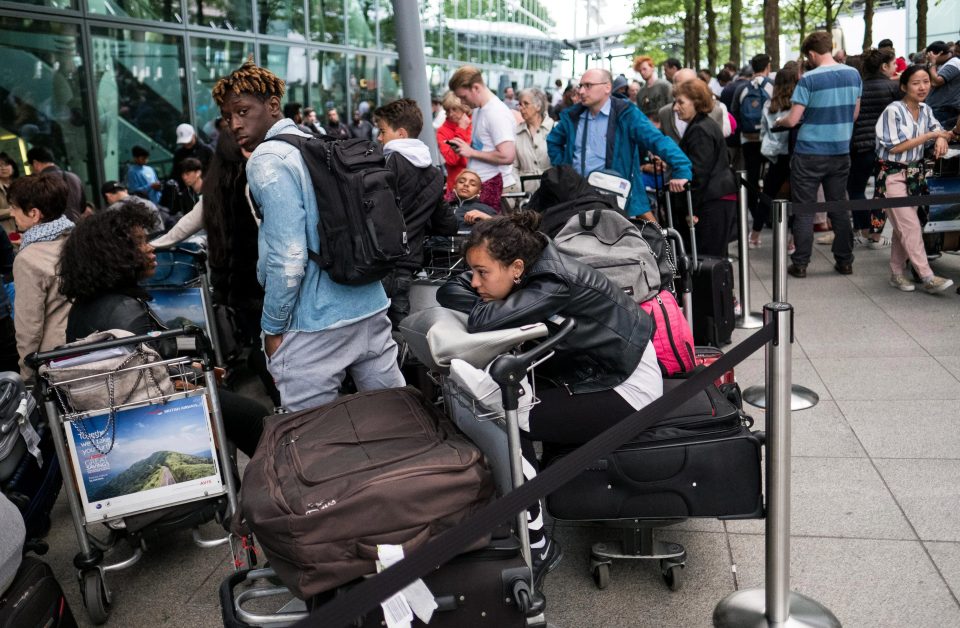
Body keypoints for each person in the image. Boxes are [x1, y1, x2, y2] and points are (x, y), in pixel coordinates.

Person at [436, 211, 661, 591]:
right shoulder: (535, 270)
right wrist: (484, 286)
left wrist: (482, 304)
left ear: (517, 267)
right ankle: (521, 516)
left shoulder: (553, 283)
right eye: (472, 271)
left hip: (625, 387)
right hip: (596, 373)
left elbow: (480, 322)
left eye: (482, 273)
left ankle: (537, 544)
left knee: (511, 417)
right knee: (505, 404)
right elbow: (449, 290)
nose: (474, 282)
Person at [214, 60, 404, 412]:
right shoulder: (316, 141)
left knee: (313, 442)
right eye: (228, 117)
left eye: (243, 111)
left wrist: (272, 328)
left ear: (273, 105)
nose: (235, 124)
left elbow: (288, 258)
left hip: (314, 321)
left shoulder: (267, 159)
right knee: (394, 418)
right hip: (369, 302)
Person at [58, 204, 269, 457]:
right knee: (257, 417)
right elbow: (145, 384)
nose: (150, 248)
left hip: (112, 411)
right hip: (148, 412)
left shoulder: (84, 305)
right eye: (140, 243)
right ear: (115, 254)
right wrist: (195, 376)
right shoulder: (126, 311)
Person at [548, 68, 693, 221]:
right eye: (580, 86)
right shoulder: (573, 116)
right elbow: (553, 141)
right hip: (578, 196)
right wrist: (564, 168)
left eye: (588, 85)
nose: (582, 91)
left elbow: (657, 140)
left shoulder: (625, 114)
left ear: (607, 87)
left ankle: (664, 246)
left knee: (632, 239)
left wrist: (682, 168)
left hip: (616, 196)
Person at [774, 30, 862, 278]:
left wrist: (780, 121)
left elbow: (793, 120)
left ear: (811, 54)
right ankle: (845, 261)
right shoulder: (853, 74)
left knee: (804, 210)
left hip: (809, 153)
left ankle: (800, 263)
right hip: (840, 151)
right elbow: (854, 115)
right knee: (839, 207)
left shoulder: (809, 80)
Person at [373, 98, 457, 327]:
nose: (379, 138)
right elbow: (447, 224)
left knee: (370, 326)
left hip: (377, 260)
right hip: (407, 262)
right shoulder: (433, 173)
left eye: (382, 131)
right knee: (400, 323)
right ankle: (404, 360)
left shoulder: (384, 164)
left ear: (400, 133)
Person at [875, 65, 954, 294]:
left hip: (914, 175)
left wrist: (941, 138)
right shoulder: (893, 111)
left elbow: (942, 130)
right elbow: (896, 146)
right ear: (903, 86)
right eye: (916, 83)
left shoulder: (926, 109)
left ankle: (897, 273)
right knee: (909, 226)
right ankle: (927, 276)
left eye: (926, 82)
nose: (922, 87)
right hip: (892, 175)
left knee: (907, 226)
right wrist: (931, 136)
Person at [7, 174, 73, 377]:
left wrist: (27, 374)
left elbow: (29, 327)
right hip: (91, 345)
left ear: (34, 214)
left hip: (54, 359)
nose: (11, 213)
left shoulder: (27, 259)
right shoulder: (78, 238)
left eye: (14, 207)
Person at [673, 79, 739, 257]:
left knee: (709, 257)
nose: (675, 107)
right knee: (716, 257)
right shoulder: (703, 125)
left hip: (711, 200)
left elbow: (699, 173)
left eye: (680, 102)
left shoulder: (699, 129)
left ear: (696, 102)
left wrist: (690, 209)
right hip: (717, 197)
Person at [849, 48, 900, 249]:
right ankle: (876, 234)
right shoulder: (893, 88)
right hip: (886, 148)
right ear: (884, 66)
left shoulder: (858, 86)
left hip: (861, 146)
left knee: (856, 189)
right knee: (881, 192)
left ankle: (862, 228)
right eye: (894, 64)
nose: (896, 68)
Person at [447, 66, 518, 210]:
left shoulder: (496, 112)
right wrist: (465, 148)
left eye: (463, 97)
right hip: (484, 188)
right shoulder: (481, 110)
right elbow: (485, 146)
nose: (462, 102)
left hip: (497, 190)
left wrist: (471, 152)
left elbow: (507, 156)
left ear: (476, 88)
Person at [758, 61, 800, 247]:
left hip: (775, 155)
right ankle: (792, 240)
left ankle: (754, 234)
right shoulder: (797, 105)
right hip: (794, 155)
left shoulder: (769, 104)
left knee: (767, 193)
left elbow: (763, 132)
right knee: (795, 197)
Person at [733, 54, 774, 236]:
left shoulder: (742, 89)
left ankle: (755, 212)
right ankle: (768, 216)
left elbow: (735, 113)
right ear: (768, 67)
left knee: (751, 179)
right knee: (771, 179)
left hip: (748, 140)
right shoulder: (772, 86)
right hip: (769, 140)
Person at [658, 69, 731, 144]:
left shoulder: (715, 111)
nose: (685, 88)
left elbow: (718, 144)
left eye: (690, 84)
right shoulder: (664, 113)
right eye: (680, 84)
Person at [25, 147, 85, 223]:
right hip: (77, 225)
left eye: (30, 166)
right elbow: (82, 207)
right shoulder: (74, 177)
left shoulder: (38, 182)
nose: (31, 170)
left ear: (35, 163)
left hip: (52, 230)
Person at [513, 88, 554, 196]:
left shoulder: (554, 129)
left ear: (538, 106)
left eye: (526, 104)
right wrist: (519, 190)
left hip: (551, 190)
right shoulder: (516, 132)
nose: (521, 108)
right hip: (526, 193)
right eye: (519, 104)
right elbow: (514, 167)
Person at [436, 91, 472, 194]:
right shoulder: (442, 131)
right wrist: (460, 130)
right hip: (457, 188)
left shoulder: (475, 123)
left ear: (464, 108)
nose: (451, 114)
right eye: (447, 110)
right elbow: (451, 159)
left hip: (479, 184)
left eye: (454, 109)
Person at [925, 41, 960, 128]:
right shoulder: (946, 63)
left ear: (939, 53)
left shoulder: (954, 63)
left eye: (930, 56)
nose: (928, 59)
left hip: (944, 110)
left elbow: (936, 82)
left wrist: (932, 63)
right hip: (940, 109)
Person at [634, 55, 672, 120]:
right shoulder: (640, 93)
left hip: (665, 126)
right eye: (640, 71)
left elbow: (672, 107)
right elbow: (640, 115)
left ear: (652, 68)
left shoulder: (665, 86)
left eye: (644, 69)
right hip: (648, 127)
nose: (642, 72)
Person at [0, 152, 20, 234]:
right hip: (6, 234)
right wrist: (15, 211)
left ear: (13, 167)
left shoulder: (21, 185)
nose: (3, 168)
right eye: (0, 166)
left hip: (26, 232)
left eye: (6, 164)